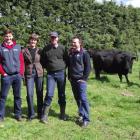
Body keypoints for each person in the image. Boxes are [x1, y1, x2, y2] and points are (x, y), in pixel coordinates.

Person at [40, 31, 67, 123]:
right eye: (52, 37)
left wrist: (61, 67)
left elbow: (67, 60)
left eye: (55, 37)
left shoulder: (63, 48)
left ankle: (62, 114)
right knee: (49, 94)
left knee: (62, 94)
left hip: (61, 73)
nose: (53, 39)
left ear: (58, 38)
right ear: (50, 38)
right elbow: (42, 61)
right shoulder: (46, 49)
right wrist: (48, 67)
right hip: (50, 75)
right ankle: (44, 115)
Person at [0, 29, 24, 122]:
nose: (8, 38)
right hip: (6, 76)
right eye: (6, 36)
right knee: (3, 97)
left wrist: (21, 72)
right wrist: (3, 73)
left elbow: (21, 60)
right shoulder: (1, 47)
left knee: (17, 96)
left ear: (12, 36)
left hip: (17, 75)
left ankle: (18, 114)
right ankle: (1, 116)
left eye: (10, 36)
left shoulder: (17, 47)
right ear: (4, 37)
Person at [67, 36, 91, 127]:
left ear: (80, 43)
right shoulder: (71, 53)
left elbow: (88, 67)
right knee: (77, 98)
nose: (73, 44)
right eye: (72, 42)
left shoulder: (84, 53)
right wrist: (69, 76)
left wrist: (84, 79)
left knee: (83, 98)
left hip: (81, 80)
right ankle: (81, 114)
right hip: (73, 79)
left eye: (75, 42)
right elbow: (70, 66)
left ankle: (86, 119)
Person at [22, 33, 43, 121]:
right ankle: (31, 114)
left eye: (35, 40)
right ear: (29, 41)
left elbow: (44, 61)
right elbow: (22, 63)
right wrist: (22, 75)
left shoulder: (40, 51)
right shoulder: (24, 51)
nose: (33, 41)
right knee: (29, 94)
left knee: (39, 93)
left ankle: (40, 113)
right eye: (32, 40)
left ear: (36, 41)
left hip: (39, 73)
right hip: (29, 73)